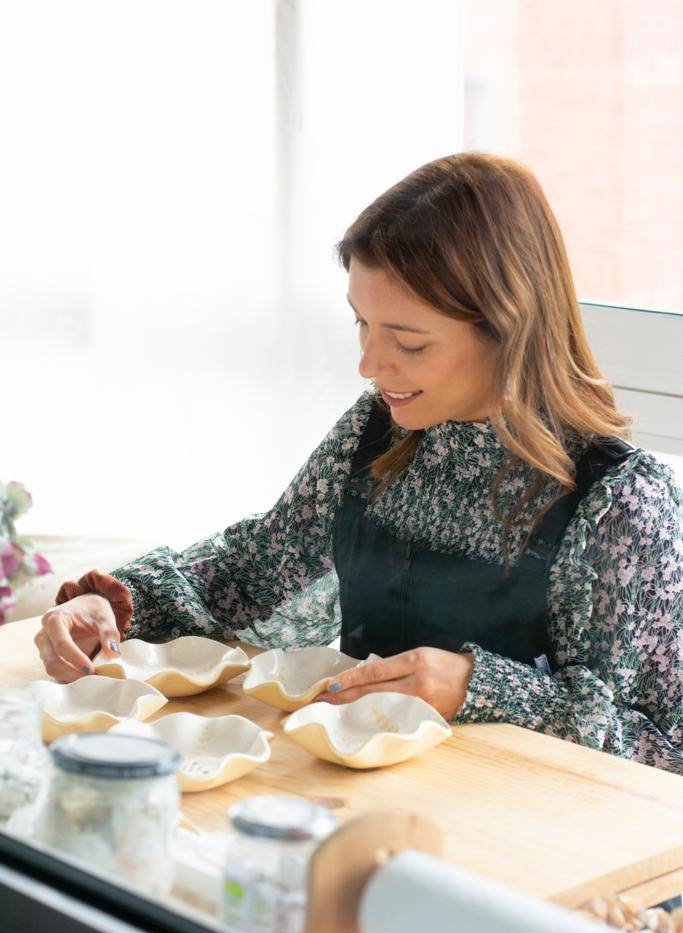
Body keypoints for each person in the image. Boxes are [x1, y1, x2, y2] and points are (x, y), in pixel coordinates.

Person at [34, 153, 682, 775]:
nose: (370, 365)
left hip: (535, 863)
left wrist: (479, 687)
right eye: (361, 326)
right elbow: (248, 571)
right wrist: (112, 606)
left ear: (509, 331)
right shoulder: (380, 429)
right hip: (368, 816)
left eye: (407, 340)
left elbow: (659, 754)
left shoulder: (619, 505)